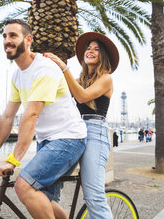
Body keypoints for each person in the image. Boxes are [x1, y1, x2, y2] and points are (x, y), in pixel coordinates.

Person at [0, 19, 87, 219]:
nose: (6, 41)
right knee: (44, 200)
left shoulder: (44, 69)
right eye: (4, 36)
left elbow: (31, 115)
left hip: (69, 138)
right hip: (47, 141)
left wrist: (13, 160)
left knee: (23, 186)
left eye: (13, 35)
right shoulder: (18, 75)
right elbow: (7, 116)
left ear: (28, 40)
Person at [44, 32, 119, 219]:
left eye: (96, 49)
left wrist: (63, 67)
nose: (90, 51)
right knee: (46, 190)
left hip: (95, 133)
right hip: (73, 131)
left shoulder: (106, 78)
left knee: (94, 197)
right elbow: (57, 93)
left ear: (103, 56)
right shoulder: (78, 81)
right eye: (88, 48)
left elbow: (82, 96)